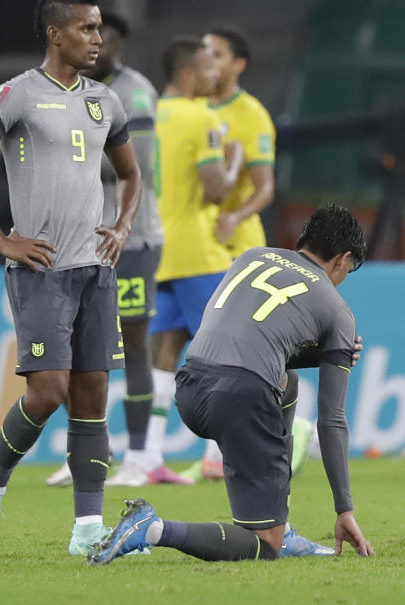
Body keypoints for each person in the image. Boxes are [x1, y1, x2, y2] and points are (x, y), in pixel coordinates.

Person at [0, 0, 141, 558]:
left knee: (93, 394)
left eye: (99, 28)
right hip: (43, 270)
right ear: (56, 34)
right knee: (48, 391)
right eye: (86, 29)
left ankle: (86, 531)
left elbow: (130, 174)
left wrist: (123, 225)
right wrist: (0, 239)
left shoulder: (106, 100)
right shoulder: (18, 95)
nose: (97, 39)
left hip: (95, 269)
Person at [90, 204, 375, 564]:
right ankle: (153, 528)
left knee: (288, 383)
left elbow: (247, 333)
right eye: (348, 269)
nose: (343, 277)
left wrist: (319, 355)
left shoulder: (252, 256)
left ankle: (280, 523)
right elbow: (332, 419)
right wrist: (344, 509)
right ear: (343, 258)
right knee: (264, 546)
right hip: (241, 399)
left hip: (191, 386)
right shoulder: (337, 310)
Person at [45, 11, 164, 489]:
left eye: (105, 36)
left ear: (118, 44)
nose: (96, 44)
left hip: (129, 238)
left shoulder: (133, 93)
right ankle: (87, 452)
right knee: (74, 350)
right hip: (75, 241)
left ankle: (138, 457)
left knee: (134, 345)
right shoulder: (65, 92)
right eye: (89, 34)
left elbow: (138, 167)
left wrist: (65, 164)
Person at [140, 36, 242, 484]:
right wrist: (234, 161)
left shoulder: (146, 114)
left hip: (156, 251)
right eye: (206, 68)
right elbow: (216, 189)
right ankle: (218, 454)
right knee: (225, 351)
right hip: (197, 254)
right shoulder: (203, 118)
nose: (213, 75)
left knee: (165, 352)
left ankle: (149, 455)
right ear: (186, 74)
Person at [185, 23, 282, 481]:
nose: (211, 60)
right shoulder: (193, 109)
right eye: (205, 52)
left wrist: (236, 217)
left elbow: (265, 189)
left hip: (241, 247)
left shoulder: (252, 115)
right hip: (196, 247)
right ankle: (223, 449)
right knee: (199, 348)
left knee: (247, 351)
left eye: (218, 53)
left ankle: (283, 429)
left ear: (238, 64)